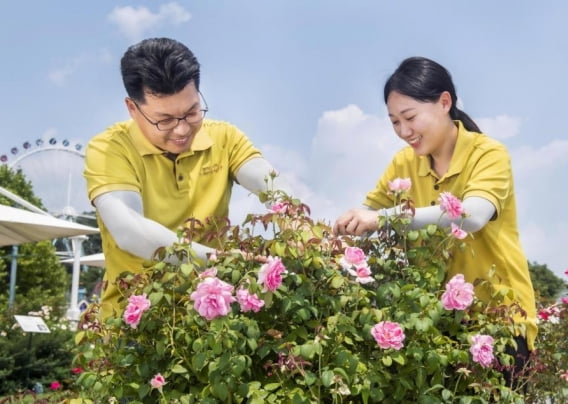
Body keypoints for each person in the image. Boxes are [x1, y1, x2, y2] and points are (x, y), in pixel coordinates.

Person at [333, 56, 536, 387]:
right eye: (394, 122)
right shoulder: (404, 162)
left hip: (500, 320)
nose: (404, 131)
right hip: (437, 320)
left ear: (445, 102)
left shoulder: (488, 154)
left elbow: (471, 216)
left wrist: (381, 219)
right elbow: (366, 214)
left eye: (410, 117)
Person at [84, 38, 285, 319]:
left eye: (192, 112)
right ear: (132, 108)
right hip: (135, 325)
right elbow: (128, 229)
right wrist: (216, 261)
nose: (181, 130)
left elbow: (274, 188)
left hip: (212, 321)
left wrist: (302, 228)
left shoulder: (224, 137)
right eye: (164, 120)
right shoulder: (109, 150)